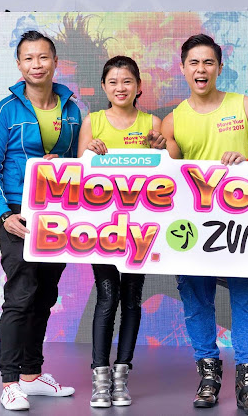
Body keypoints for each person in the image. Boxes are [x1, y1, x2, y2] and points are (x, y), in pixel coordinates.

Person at [162, 34, 248, 415]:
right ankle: (208, 376)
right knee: (196, 300)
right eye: (194, 62)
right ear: (183, 69)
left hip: (240, 221)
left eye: (208, 62)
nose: (201, 69)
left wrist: (246, 161)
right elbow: (166, 171)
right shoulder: (173, 120)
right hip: (191, 226)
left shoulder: (243, 105)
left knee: (244, 298)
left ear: (220, 68)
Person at [0, 30, 81, 411]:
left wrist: (64, 164)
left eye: (43, 57)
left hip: (58, 216)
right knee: (20, 296)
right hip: (19, 216)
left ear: (54, 62)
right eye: (28, 58)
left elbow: (79, 163)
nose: (36, 65)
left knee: (45, 296)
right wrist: (5, 214)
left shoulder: (72, 109)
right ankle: (9, 382)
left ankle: (31, 375)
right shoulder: (6, 109)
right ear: (19, 65)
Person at [76, 55, 166, 408]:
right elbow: (79, 173)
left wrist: (161, 149)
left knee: (131, 300)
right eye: (113, 82)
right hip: (101, 228)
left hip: (140, 228)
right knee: (107, 297)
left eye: (127, 81)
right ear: (104, 87)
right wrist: (89, 152)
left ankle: (121, 375)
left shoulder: (151, 123)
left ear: (138, 86)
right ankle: (100, 377)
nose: (120, 88)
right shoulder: (94, 121)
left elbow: (167, 171)